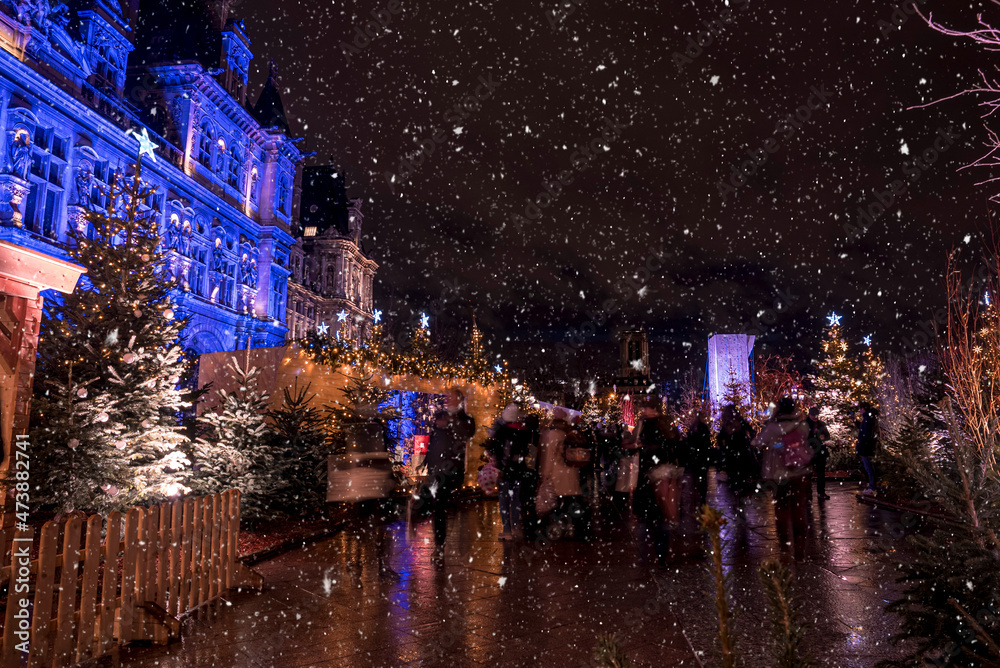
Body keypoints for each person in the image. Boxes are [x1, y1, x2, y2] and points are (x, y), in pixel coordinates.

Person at [753, 397, 812, 561]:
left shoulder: (772, 428)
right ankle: (800, 549)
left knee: (781, 509)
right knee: (799, 510)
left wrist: (773, 445)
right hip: (798, 473)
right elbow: (805, 443)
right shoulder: (802, 425)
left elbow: (758, 442)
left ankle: (785, 546)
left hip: (778, 476)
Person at [424, 387, 476, 561]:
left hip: (452, 469)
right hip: (437, 469)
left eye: (452, 397)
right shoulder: (440, 416)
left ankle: (441, 543)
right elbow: (434, 440)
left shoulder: (465, 419)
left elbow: (466, 434)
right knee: (437, 505)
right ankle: (440, 543)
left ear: (460, 400)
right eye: (447, 397)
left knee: (440, 502)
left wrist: (451, 424)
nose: (448, 399)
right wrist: (428, 463)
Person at [486, 404, 532, 540]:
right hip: (519, 470)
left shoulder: (502, 432)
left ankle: (507, 530)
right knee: (516, 500)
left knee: (504, 500)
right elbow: (526, 451)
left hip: (505, 471)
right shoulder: (524, 432)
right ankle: (516, 528)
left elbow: (496, 450)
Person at [716, 404, 756, 501]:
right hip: (743, 452)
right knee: (743, 476)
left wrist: (724, 448)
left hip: (731, 454)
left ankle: (736, 499)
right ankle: (741, 498)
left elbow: (719, 438)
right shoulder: (741, 422)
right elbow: (752, 432)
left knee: (733, 477)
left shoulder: (726, 425)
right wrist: (748, 441)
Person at [685, 409, 714, 504]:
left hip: (695, 456)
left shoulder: (693, 428)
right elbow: (707, 442)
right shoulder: (703, 428)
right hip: (702, 456)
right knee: (703, 477)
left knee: (695, 477)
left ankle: (695, 495)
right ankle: (702, 497)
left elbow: (689, 441)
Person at [806, 407, 832, 501]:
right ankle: (808, 493)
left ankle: (821, 492)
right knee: (808, 473)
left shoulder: (821, 424)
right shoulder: (805, 424)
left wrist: (823, 437)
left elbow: (827, 436)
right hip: (809, 451)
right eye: (813, 415)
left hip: (820, 451)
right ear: (809, 415)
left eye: (816, 415)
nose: (815, 417)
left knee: (821, 473)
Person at [856, 402, 880, 496]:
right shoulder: (870, 418)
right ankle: (873, 486)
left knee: (868, 467)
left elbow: (866, 433)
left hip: (866, 447)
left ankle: (872, 487)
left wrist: (861, 442)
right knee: (869, 466)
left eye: (860, 408)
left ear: (863, 409)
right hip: (869, 446)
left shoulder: (867, 419)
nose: (859, 410)